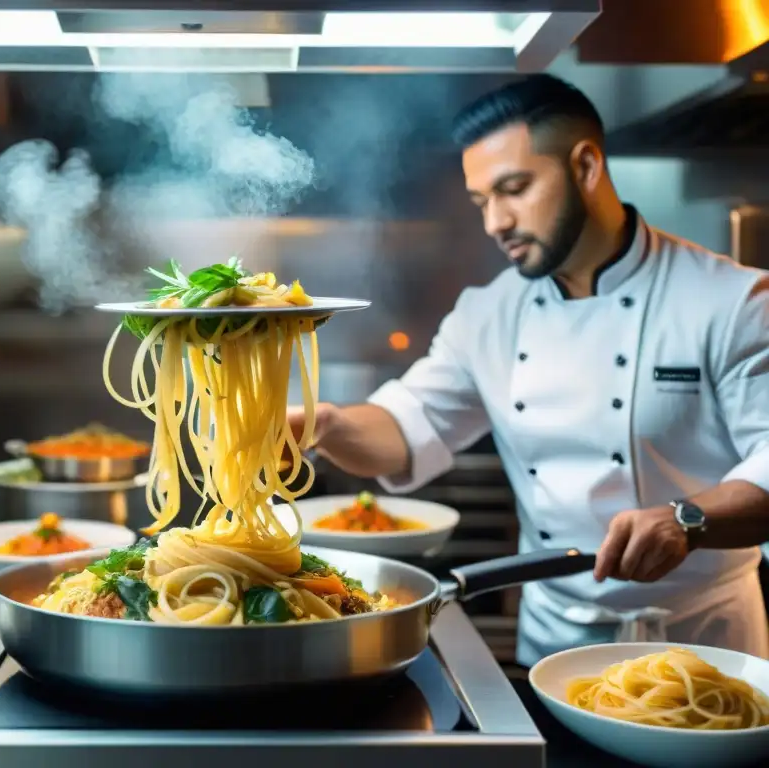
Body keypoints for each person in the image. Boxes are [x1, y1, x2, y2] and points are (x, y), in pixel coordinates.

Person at [290, 74, 769, 666]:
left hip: (704, 639)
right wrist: (325, 423)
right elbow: (406, 427)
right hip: (554, 643)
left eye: (513, 189)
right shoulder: (490, 313)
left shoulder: (731, 300)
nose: (495, 222)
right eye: (481, 201)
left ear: (587, 166)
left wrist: (687, 519)